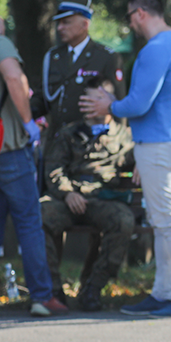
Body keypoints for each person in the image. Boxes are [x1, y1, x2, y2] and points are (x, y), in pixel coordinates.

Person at [79, 0, 171, 318]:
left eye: (130, 16)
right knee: (163, 220)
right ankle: (163, 293)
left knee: (168, 220)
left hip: (157, 145)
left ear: (140, 14)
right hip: (169, 142)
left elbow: (138, 104)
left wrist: (110, 105)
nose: (131, 23)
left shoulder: (155, 50)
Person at [0, 11, 69, 320]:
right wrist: (29, 122)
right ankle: (41, 298)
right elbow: (14, 77)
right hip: (5, 148)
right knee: (28, 222)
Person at [41, 80, 135, 312]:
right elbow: (54, 170)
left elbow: (140, 158)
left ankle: (92, 289)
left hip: (103, 200)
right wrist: (67, 193)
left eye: (99, 100)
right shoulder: (69, 133)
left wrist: (142, 160)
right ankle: (53, 291)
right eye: (89, 100)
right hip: (70, 199)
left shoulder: (125, 136)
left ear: (111, 103)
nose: (93, 106)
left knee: (124, 221)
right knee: (39, 217)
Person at [30, 0, 126, 137]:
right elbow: (43, 98)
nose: (60, 28)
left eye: (66, 23)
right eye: (59, 23)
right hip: (56, 143)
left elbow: (119, 103)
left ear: (85, 24)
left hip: (91, 143)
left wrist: (119, 140)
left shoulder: (106, 57)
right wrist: (24, 114)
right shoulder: (53, 57)